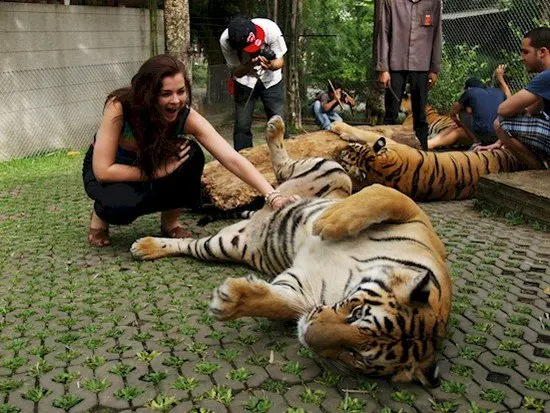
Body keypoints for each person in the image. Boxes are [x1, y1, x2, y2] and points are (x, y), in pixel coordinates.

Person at [83, 54, 296, 247]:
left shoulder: (186, 116)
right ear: (147, 93)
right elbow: (103, 170)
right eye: (165, 93)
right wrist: (156, 173)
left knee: (190, 154)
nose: (175, 100)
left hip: (152, 160)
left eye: (180, 92)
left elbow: (231, 158)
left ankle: (170, 223)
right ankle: (100, 216)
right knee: (120, 208)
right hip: (113, 167)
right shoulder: (120, 106)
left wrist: (273, 196)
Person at [475, 27, 550, 170]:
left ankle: (539, 173)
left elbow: (503, 109)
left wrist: (501, 80)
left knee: (500, 123)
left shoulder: (546, 76)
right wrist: (499, 142)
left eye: (525, 52)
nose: (521, 57)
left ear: (542, 52)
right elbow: (528, 112)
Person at [376, 0, 442, 150]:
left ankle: (423, 154)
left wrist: (434, 68)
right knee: (391, 112)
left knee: (420, 114)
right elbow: (384, 33)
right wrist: (383, 69)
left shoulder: (434, 3)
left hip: (422, 65)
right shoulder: (391, 2)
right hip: (395, 63)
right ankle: (384, 153)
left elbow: (437, 33)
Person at [220, 16, 287, 151]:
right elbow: (237, 73)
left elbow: (280, 61)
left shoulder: (270, 28)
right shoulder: (225, 42)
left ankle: (283, 157)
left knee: (279, 122)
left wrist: (271, 65)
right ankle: (243, 161)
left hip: (271, 80)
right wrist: (251, 64)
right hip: (245, 82)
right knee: (242, 125)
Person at [428, 65, 512, 150]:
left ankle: (476, 141)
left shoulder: (470, 92)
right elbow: (510, 99)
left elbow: (453, 111)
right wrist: (501, 78)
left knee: (461, 114)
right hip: (501, 134)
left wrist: (460, 118)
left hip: (483, 135)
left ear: (468, 88)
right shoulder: (498, 92)